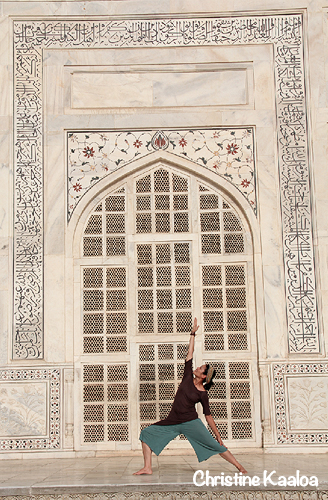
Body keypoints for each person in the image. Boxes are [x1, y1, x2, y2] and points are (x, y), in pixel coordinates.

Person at [134, 317, 247, 475]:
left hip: (191, 423)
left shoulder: (202, 394)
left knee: (215, 445)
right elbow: (190, 352)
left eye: (200, 368)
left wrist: (218, 436)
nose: (197, 367)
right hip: (172, 421)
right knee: (146, 434)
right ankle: (147, 467)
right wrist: (192, 334)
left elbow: (208, 417)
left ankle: (240, 467)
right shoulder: (187, 376)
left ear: (203, 376)